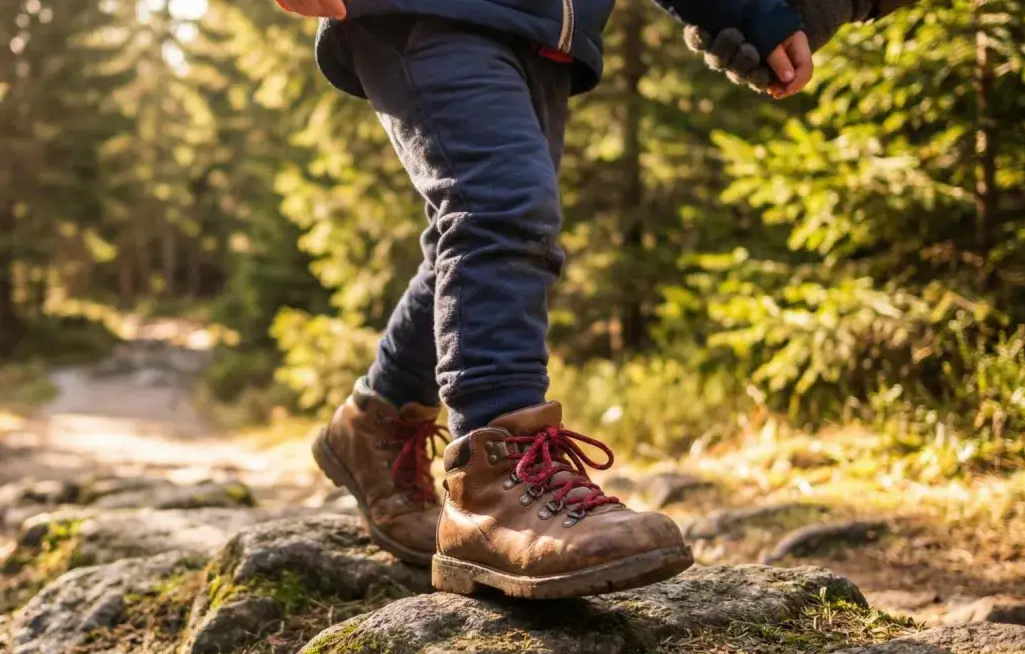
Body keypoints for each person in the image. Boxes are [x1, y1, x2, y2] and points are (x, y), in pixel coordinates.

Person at [289, 0, 910, 599]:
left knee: (489, 231)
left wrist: (750, 14)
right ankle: (493, 483)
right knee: (498, 212)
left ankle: (376, 419)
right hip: (426, 10)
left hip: (542, 28)